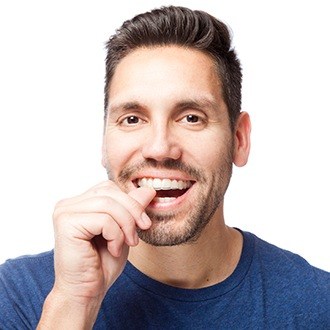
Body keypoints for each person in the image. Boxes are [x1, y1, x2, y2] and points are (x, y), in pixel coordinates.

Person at [0, 5, 329, 329]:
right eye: (132, 119)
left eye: (191, 118)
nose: (159, 148)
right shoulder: (19, 297)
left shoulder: (318, 305)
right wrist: (74, 303)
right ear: (104, 141)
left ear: (239, 140)